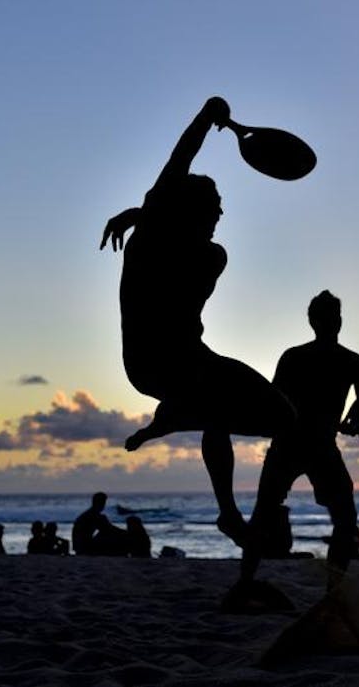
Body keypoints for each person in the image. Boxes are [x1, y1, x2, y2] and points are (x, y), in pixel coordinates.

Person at [100, 96, 296, 545]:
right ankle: (180, 419)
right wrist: (208, 117)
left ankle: (220, 497)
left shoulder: (168, 241)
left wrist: (143, 213)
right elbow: (180, 158)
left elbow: (177, 173)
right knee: (262, 414)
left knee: (256, 415)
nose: (222, 214)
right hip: (166, 363)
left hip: (175, 362)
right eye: (215, 207)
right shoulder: (188, 250)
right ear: (193, 211)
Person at [236, 291, 359, 592]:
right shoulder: (314, 358)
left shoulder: (347, 361)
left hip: (312, 445)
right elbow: (273, 401)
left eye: (334, 316)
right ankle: (246, 582)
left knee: (345, 519)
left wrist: (353, 425)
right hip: (295, 444)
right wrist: (353, 425)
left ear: (339, 320)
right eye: (327, 316)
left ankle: (332, 587)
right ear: (314, 321)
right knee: (265, 514)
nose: (331, 322)